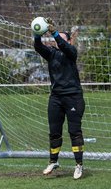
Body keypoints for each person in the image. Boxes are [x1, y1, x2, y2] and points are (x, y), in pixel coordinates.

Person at [34, 18, 85, 180]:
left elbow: (65, 47)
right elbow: (38, 46)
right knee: (54, 132)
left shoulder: (72, 52)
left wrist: (55, 33)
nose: (59, 40)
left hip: (73, 97)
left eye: (63, 38)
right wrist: (37, 33)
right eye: (58, 38)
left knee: (74, 132)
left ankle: (78, 165)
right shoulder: (51, 54)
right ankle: (53, 161)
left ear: (69, 40)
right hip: (56, 98)